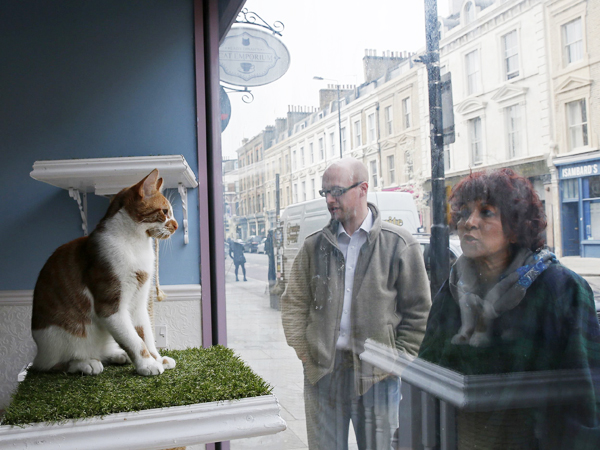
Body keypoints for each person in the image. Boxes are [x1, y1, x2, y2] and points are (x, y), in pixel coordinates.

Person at [418, 168, 600, 449]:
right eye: (464, 212)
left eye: (486, 212)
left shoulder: (560, 289)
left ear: (516, 227)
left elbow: (585, 399)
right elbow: (426, 376)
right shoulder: (454, 289)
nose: (469, 222)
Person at [281, 158, 432, 450]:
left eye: (336, 191)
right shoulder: (314, 246)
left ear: (362, 189)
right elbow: (294, 304)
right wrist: (307, 353)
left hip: (378, 378)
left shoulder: (399, 245)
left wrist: (395, 360)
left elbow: (419, 314)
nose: (329, 199)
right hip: (323, 375)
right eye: (324, 192)